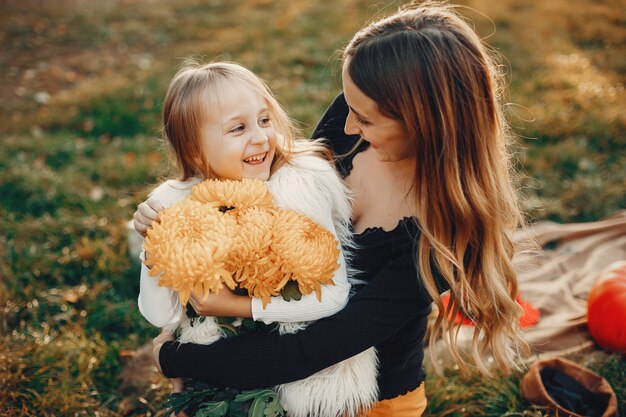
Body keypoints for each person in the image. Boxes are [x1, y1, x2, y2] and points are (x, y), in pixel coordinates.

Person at [134, 3, 529, 415]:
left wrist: (173, 358)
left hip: (362, 398)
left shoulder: (446, 237)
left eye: (365, 119)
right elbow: (263, 198)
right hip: (256, 351)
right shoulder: (353, 117)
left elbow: (309, 351)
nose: (345, 128)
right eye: (349, 106)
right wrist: (175, 221)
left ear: (422, 123)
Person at [136, 61, 378, 416]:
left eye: (264, 120)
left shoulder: (297, 189)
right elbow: (159, 314)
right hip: (214, 371)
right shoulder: (175, 202)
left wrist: (236, 306)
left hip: (304, 379)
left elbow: (334, 294)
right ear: (194, 151)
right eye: (238, 128)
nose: (261, 137)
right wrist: (157, 247)